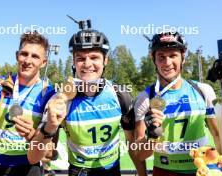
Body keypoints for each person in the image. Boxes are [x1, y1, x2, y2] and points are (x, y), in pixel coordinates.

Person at [28, 21, 146, 176]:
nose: (87, 64)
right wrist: (49, 127)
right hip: (78, 171)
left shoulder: (120, 95)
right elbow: (36, 157)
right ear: (74, 62)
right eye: (80, 58)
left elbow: (132, 146)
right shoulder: (60, 98)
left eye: (94, 57)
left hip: (111, 171)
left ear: (105, 61)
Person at [133, 31, 222, 176]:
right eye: (161, 57)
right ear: (153, 59)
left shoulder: (203, 90)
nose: (167, 63)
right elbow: (139, 155)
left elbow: (217, 136)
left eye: (173, 55)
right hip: (164, 171)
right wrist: (152, 136)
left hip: (201, 169)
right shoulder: (144, 98)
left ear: (183, 58)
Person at [0, 31, 55, 176]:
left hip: (27, 168)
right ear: (17, 55)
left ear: (43, 63)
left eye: (35, 56)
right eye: (24, 54)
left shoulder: (49, 94)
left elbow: (49, 153)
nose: (28, 60)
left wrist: (32, 136)